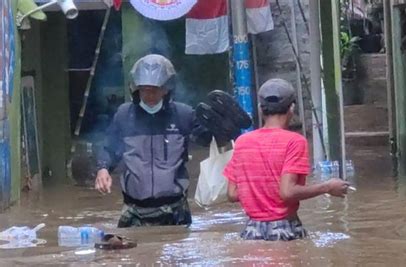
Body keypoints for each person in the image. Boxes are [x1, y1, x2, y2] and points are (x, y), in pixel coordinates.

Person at [223, 78, 350, 241]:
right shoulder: (294, 141)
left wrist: (259, 189)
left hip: (251, 232)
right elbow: (287, 192)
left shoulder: (242, 142)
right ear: (292, 108)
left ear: (261, 109)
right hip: (284, 230)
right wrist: (327, 187)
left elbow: (232, 194)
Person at [95, 54, 212, 228]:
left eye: (154, 90)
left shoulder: (183, 114)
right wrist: (103, 169)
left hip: (175, 210)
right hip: (134, 210)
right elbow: (109, 148)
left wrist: (215, 126)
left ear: (166, 89)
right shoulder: (124, 115)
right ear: (136, 90)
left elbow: (206, 139)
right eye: (144, 90)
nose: (149, 95)